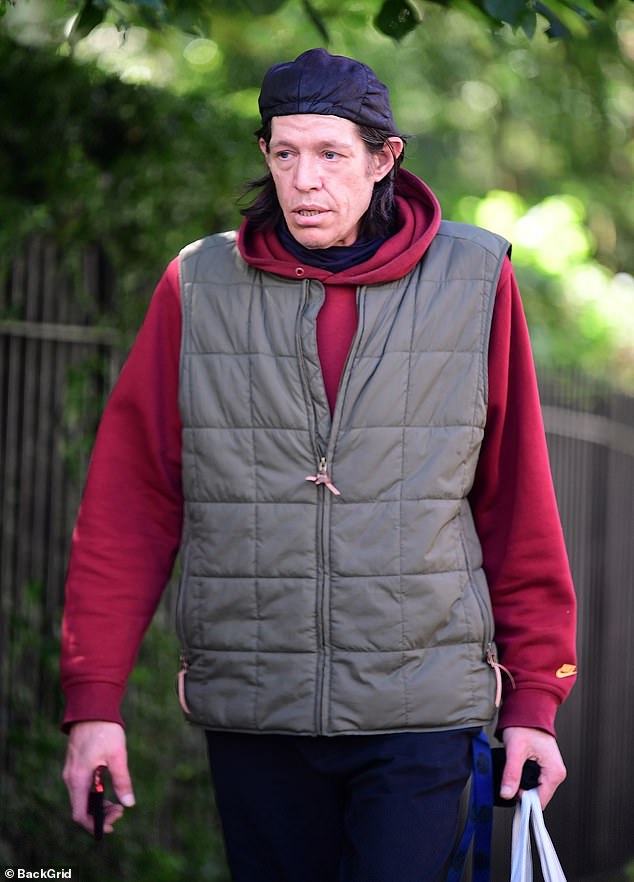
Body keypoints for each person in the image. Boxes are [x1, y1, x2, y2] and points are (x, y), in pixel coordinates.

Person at [61, 48, 577, 882]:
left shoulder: (477, 277)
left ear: (383, 159)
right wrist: (94, 705)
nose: (306, 180)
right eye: (286, 153)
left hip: (422, 710)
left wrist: (534, 703)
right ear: (265, 155)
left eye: (332, 154)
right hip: (255, 713)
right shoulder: (197, 284)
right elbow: (131, 504)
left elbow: (517, 500)